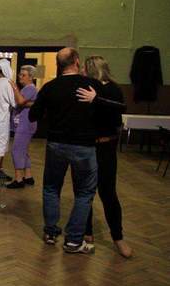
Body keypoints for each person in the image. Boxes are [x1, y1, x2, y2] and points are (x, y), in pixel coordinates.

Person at [28, 47, 99, 253]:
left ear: (58, 65)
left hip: (56, 144)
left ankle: (51, 233)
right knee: (84, 192)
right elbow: (106, 114)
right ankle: (74, 240)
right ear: (77, 61)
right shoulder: (92, 85)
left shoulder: (50, 87)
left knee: (51, 187)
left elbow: (33, 115)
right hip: (84, 145)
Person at [76, 56, 133, 258]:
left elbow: (120, 109)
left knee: (108, 193)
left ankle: (118, 237)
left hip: (106, 146)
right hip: (87, 146)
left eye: (84, 68)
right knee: (85, 192)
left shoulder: (112, 88)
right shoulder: (85, 87)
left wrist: (96, 99)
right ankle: (87, 233)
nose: (81, 71)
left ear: (92, 69)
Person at [7, 65, 38, 189]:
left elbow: (20, 101)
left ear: (31, 77)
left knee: (17, 150)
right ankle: (28, 176)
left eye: (23, 75)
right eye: (20, 74)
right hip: (24, 124)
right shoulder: (26, 89)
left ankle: (19, 179)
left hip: (26, 125)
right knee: (23, 150)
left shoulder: (30, 88)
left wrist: (14, 88)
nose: (20, 77)